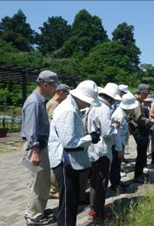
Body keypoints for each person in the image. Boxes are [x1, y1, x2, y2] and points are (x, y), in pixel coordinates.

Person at [48, 80, 100, 226]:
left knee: (71, 199)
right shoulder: (68, 110)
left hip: (66, 159)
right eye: (88, 101)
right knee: (68, 201)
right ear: (81, 97)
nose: (89, 105)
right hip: (63, 160)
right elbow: (69, 142)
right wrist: (91, 138)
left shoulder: (72, 107)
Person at [21, 70, 59, 225]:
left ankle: (37, 211)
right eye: (53, 86)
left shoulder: (39, 100)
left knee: (40, 183)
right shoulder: (34, 102)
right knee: (39, 184)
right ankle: (34, 216)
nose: (55, 89)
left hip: (40, 146)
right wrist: (35, 151)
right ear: (45, 84)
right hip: (37, 147)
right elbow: (31, 128)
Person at [86, 83, 121, 224]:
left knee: (95, 181)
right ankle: (98, 212)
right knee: (101, 181)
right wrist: (115, 127)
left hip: (93, 148)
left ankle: (94, 208)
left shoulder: (94, 105)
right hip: (102, 150)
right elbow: (107, 132)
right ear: (111, 97)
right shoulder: (104, 109)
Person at [110, 93, 139, 192]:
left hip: (120, 142)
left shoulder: (123, 113)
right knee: (115, 164)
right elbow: (116, 134)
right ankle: (115, 185)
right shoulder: (120, 116)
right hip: (116, 144)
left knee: (117, 165)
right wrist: (120, 150)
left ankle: (117, 181)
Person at [46, 83, 70, 200]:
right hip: (52, 139)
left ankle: (54, 189)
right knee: (54, 165)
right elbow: (52, 122)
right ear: (61, 92)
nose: (67, 96)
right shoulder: (54, 104)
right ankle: (53, 190)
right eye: (67, 93)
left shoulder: (55, 103)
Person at [128, 84, 154, 183]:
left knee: (142, 153)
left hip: (138, 130)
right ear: (143, 93)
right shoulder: (136, 103)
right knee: (141, 154)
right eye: (147, 94)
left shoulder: (135, 101)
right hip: (139, 130)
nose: (147, 97)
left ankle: (139, 174)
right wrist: (150, 121)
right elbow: (139, 118)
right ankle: (138, 176)